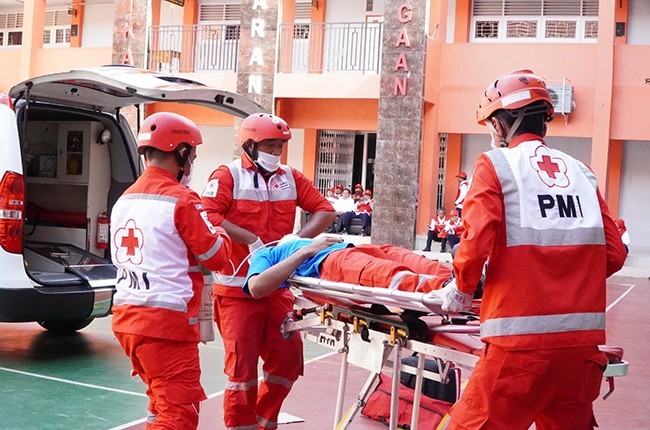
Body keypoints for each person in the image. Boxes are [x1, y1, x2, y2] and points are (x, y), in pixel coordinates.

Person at [431, 69, 627, 430]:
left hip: (518, 350)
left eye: (492, 124)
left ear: (501, 124)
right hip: (580, 353)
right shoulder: (581, 173)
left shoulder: (496, 165)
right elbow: (613, 255)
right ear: (544, 119)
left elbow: (475, 241)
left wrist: (461, 289)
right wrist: (567, 277)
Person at [201, 112, 336, 430]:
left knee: (288, 361)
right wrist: (250, 239)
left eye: (280, 146)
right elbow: (208, 215)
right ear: (249, 145)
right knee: (241, 372)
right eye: (270, 146)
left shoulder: (290, 177)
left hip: (278, 288)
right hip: (236, 290)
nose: (276, 152)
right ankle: (241, 426)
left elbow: (325, 211)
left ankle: (264, 421)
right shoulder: (228, 176)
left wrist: (295, 241)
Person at [110, 112, 232, 429]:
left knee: (159, 405)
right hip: (165, 325)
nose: (192, 164)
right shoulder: (181, 199)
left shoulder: (125, 199)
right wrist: (221, 232)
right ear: (180, 152)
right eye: (192, 156)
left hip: (128, 319)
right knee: (179, 414)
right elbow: (217, 257)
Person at [242, 236, 454, 300]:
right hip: (332, 261)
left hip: (357, 248)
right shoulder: (264, 254)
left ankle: (461, 279)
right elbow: (256, 287)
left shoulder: (295, 240)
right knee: (389, 275)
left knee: (418, 262)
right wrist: (305, 251)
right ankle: (444, 288)